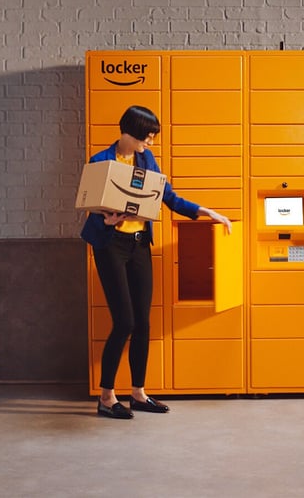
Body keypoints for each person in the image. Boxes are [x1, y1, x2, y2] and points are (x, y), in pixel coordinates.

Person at [81, 105, 231, 419]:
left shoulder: (145, 160)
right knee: (124, 322)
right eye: (146, 137)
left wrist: (208, 213)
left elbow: (170, 197)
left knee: (143, 323)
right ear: (129, 132)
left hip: (138, 246)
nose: (150, 143)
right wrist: (107, 221)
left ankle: (138, 393)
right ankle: (106, 397)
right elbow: (90, 210)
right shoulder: (101, 162)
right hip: (112, 246)